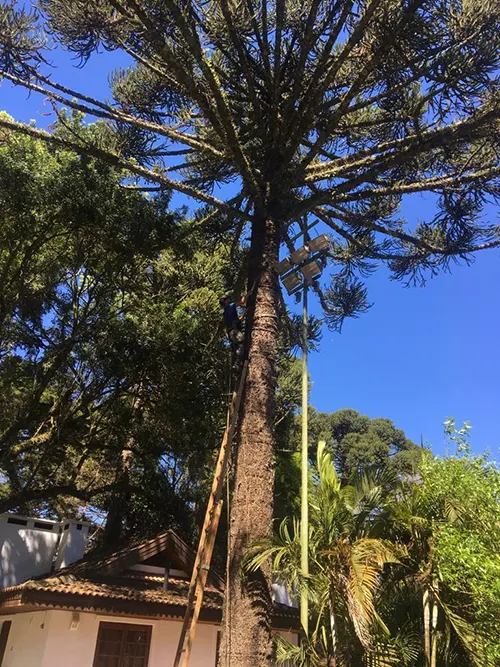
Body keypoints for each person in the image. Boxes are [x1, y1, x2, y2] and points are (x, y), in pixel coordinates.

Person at [219, 293, 246, 358]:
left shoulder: (225, 313)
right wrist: (247, 295)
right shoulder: (231, 306)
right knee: (243, 345)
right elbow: (242, 302)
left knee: (237, 349)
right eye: (227, 299)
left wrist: (245, 314)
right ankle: (241, 360)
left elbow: (238, 321)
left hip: (231, 333)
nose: (229, 300)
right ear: (225, 301)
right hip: (235, 332)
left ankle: (238, 362)